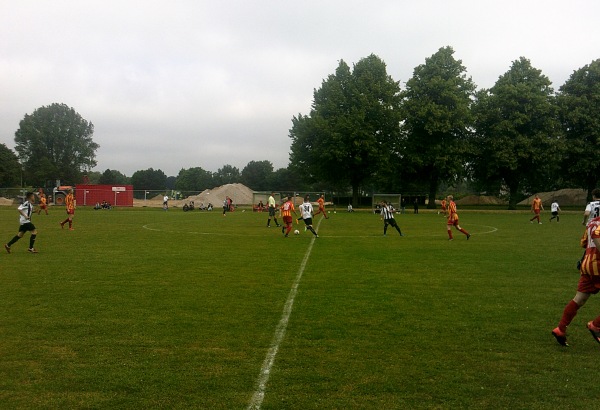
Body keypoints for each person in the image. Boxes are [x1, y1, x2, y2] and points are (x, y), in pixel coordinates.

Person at [552, 215, 600, 347]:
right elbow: (597, 235)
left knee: (579, 299)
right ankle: (595, 325)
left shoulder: (592, 222)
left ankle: (560, 329)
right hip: (598, 265)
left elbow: (584, 242)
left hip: (587, 264)